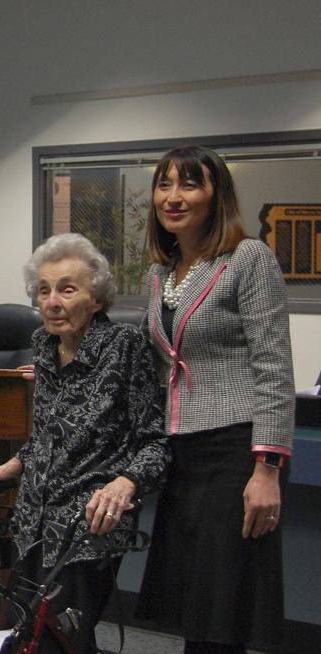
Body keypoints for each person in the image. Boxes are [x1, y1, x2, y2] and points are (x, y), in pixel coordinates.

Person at [0, 233, 169, 654]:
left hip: (88, 523)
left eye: (67, 289)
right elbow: (49, 434)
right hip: (33, 520)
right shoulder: (43, 346)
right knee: (20, 630)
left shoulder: (125, 348)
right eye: (43, 291)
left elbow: (155, 442)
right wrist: (17, 463)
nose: (52, 301)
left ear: (97, 298)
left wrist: (125, 484)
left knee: (58, 639)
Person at [135, 145, 293, 654]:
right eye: (164, 185)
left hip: (236, 449)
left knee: (222, 606)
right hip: (182, 450)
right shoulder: (162, 272)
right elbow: (152, 359)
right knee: (191, 602)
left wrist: (267, 468)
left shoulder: (247, 257)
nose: (173, 197)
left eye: (189, 185)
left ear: (215, 194)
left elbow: (274, 365)